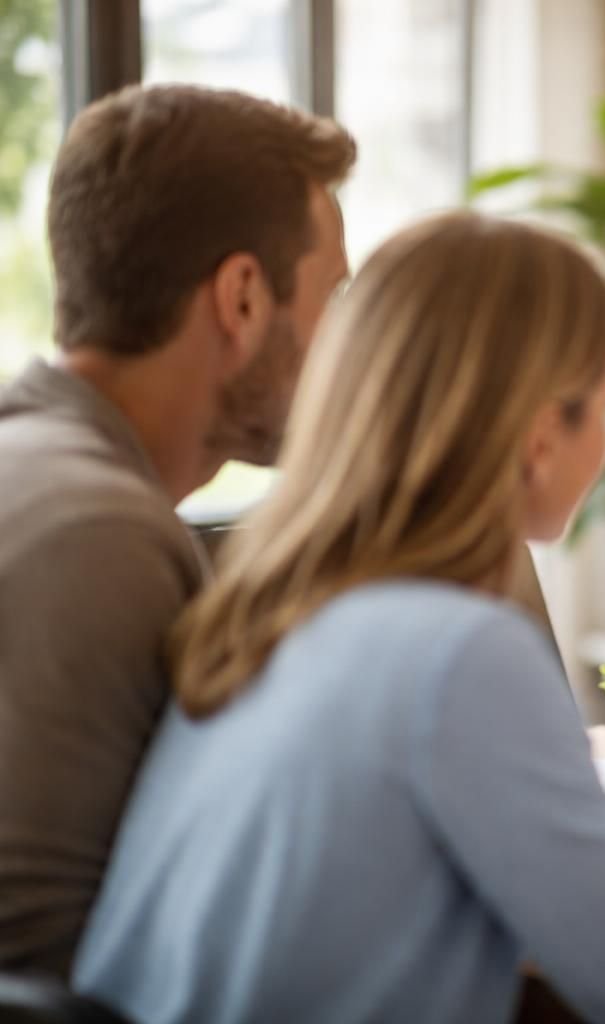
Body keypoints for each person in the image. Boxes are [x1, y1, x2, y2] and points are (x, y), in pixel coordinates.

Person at [72, 213, 605, 1024]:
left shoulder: (272, 609)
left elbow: (363, 884)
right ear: (539, 436)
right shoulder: (463, 651)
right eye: (604, 409)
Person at [0, 84, 354, 976]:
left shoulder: (36, 467)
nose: (346, 350)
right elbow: (43, 961)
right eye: (334, 300)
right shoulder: (102, 533)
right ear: (241, 299)